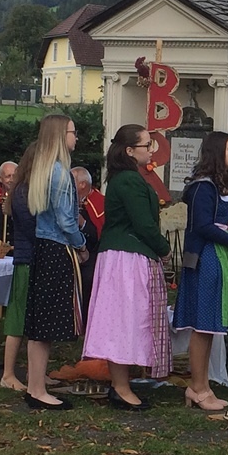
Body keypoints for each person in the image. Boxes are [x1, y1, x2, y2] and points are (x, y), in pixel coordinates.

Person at [82, 124, 171, 411]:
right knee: (125, 322)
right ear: (130, 150)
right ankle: (120, 387)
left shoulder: (125, 178)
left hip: (122, 256)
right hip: (126, 259)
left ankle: (121, 384)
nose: (151, 150)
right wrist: (164, 249)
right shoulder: (130, 181)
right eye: (147, 145)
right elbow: (143, 223)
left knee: (123, 321)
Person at [173, 131, 228, 411]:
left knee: (210, 327)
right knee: (203, 325)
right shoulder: (202, 187)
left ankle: (202, 386)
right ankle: (197, 387)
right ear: (217, 152)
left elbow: (222, 220)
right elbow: (203, 226)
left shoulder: (220, 184)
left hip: (220, 256)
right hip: (205, 257)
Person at [22, 115, 88, 410]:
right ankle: (37, 391)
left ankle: (34, 386)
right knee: (46, 326)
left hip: (43, 248)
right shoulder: (61, 173)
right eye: (73, 132)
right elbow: (66, 221)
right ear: (62, 135)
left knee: (39, 325)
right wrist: (81, 245)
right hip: (57, 250)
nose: (77, 137)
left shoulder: (43, 168)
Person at [0, 143, 37, 392]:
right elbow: (34, 228)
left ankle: (36, 373)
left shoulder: (30, 189)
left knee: (34, 318)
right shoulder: (23, 191)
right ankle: (8, 374)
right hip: (26, 259)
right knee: (18, 316)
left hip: (35, 259)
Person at [72, 166, 105, 325]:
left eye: (72, 181)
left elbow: (98, 233)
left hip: (93, 253)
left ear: (82, 184)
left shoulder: (99, 202)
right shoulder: (67, 198)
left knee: (88, 278)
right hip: (72, 249)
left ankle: (85, 321)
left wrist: (82, 222)